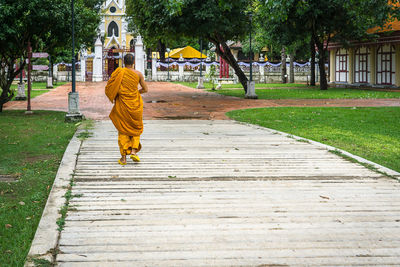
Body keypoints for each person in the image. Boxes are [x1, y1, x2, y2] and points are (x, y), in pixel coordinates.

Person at [105, 53, 148, 165]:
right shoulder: (138, 74)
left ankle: (123, 158)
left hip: (122, 104)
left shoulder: (119, 72)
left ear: (123, 62)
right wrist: (135, 93)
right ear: (133, 62)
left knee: (122, 129)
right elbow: (145, 89)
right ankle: (133, 151)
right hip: (135, 104)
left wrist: (119, 94)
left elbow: (111, 87)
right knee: (136, 127)